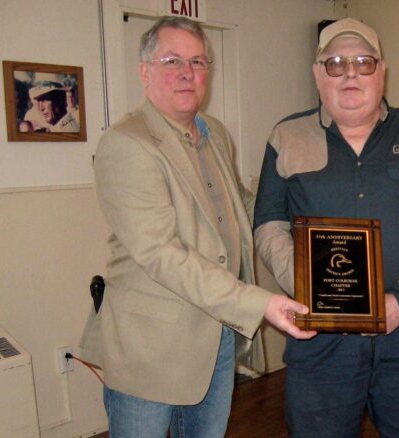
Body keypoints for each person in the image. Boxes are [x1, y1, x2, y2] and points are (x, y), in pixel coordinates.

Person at [81, 16, 315, 438]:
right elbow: (161, 254)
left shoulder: (214, 134)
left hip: (216, 336)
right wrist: (259, 303)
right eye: (172, 61)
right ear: (145, 71)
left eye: (198, 61)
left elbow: (241, 208)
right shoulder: (127, 144)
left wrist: (310, 222)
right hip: (149, 349)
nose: (187, 73)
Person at [254, 18, 399, 438]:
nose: (350, 73)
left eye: (363, 62)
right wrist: (308, 289)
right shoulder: (287, 135)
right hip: (320, 346)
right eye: (335, 63)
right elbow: (268, 225)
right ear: (318, 75)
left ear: (382, 71)